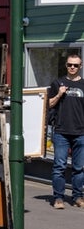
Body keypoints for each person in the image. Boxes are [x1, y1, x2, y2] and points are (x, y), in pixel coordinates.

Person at [48, 53, 84, 209]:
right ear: (66, 65)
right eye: (70, 64)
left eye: (76, 65)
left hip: (81, 132)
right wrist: (59, 94)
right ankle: (58, 198)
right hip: (61, 131)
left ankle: (78, 197)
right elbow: (49, 104)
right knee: (59, 167)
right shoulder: (57, 83)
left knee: (79, 168)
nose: (72, 67)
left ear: (80, 66)